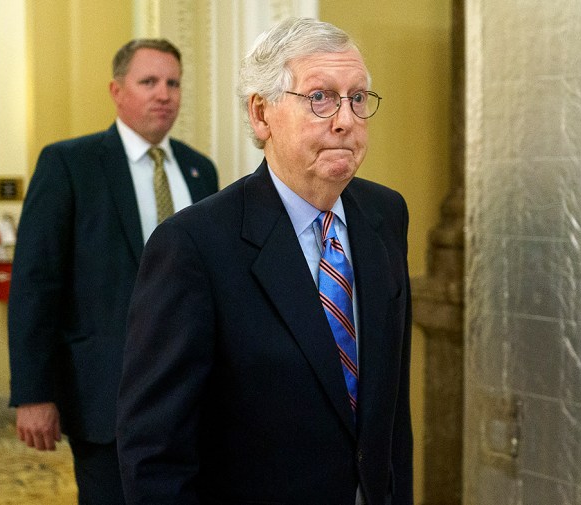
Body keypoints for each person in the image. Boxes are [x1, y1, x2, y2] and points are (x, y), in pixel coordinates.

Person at [117, 17, 413, 505]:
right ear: (261, 115)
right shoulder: (193, 246)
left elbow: (391, 410)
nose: (345, 119)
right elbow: (154, 451)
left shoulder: (386, 214)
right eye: (320, 97)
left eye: (357, 98)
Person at [8, 38, 218, 505]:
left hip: (194, 395)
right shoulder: (69, 164)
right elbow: (34, 284)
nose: (164, 94)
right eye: (149, 82)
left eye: (173, 83)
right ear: (116, 90)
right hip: (107, 394)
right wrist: (33, 393)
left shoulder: (201, 171)